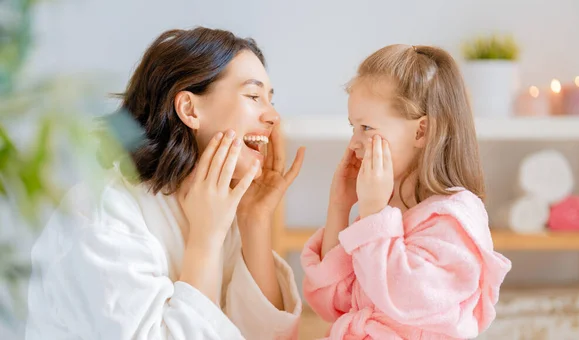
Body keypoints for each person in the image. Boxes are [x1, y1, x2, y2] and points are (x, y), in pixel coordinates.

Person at [26, 26, 305, 340]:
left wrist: (254, 221)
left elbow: (265, 337)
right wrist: (205, 240)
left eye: (270, 99)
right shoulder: (101, 214)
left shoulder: (220, 204)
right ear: (189, 108)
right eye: (254, 96)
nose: (273, 116)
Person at [301, 44, 512, 339]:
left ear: (421, 131)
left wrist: (373, 214)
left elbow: (405, 298)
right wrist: (340, 205)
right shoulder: (382, 214)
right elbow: (331, 304)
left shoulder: (455, 218)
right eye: (353, 127)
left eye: (367, 127)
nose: (354, 143)